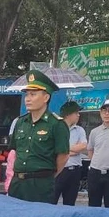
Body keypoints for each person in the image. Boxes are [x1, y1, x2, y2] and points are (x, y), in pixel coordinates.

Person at [9, 72, 70, 203]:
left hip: (41, 185)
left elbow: (63, 156)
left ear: (46, 97)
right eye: (27, 94)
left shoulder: (57, 124)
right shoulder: (20, 122)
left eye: (33, 94)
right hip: (17, 183)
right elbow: (15, 151)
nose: (27, 99)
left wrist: (47, 175)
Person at [53, 101, 87, 205]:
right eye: (76, 113)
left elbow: (82, 146)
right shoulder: (56, 128)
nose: (78, 115)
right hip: (59, 170)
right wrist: (71, 151)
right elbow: (54, 149)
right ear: (69, 114)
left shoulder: (79, 130)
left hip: (75, 171)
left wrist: (64, 150)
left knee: (70, 202)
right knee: (52, 200)